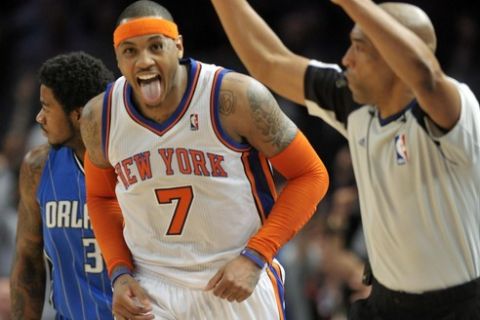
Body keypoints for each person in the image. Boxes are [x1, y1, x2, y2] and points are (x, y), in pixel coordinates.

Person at [210, 0, 480, 319]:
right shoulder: (354, 103)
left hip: (456, 308)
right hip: (382, 304)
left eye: (359, 48)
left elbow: (424, 75)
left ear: (394, 57)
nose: (346, 59)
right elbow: (269, 61)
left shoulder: (453, 110)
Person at [79, 1, 329, 319]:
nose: (144, 61)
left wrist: (257, 255)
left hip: (234, 280)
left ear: (178, 45)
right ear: (117, 58)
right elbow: (100, 196)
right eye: (129, 51)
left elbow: (311, 174)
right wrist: (119, 271)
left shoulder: (234, 98)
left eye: (156, 46)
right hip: (152, 288)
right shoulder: (99, 117)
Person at [10, 52, 115, 320]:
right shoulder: (38, 166)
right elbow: (29, 261)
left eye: (46, 107)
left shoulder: (133, 167)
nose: (39, 117)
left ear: (78, 115)